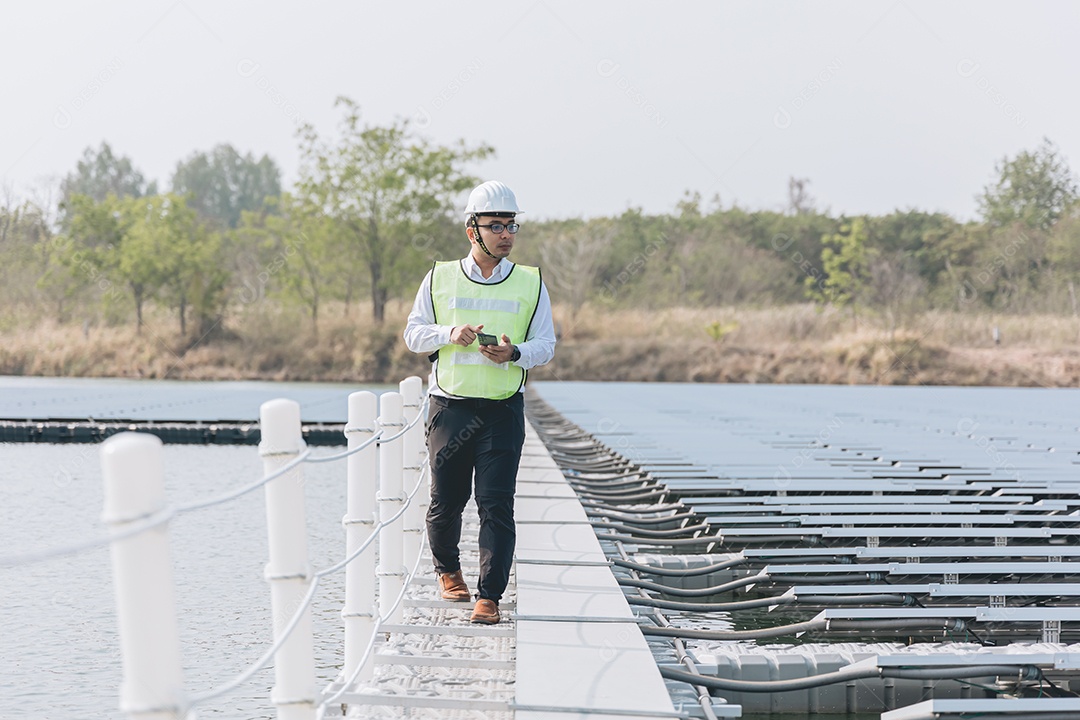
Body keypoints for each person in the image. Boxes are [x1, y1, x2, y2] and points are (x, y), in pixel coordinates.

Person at [403, 180, 556, 624]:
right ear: (473, 231)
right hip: (449, 406)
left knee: (496, 502)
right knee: (447, 499)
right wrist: (447, 334)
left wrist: (516, 353)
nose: (507, 234)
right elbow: (414, 334)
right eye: (496, 226)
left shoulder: (531, 282)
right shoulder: (438, 277)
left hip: (502, 409)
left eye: (512, 225)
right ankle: (448, 570)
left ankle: (489, 596)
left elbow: (546, 344)